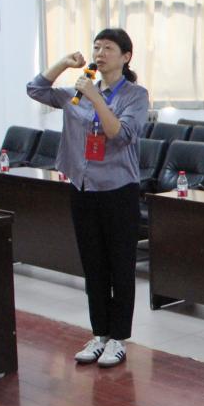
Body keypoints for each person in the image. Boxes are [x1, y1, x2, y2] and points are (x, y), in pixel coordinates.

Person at [26, 28, 149, 367]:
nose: (100, 53)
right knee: (93, 265)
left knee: (119, 265)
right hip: (82, 187)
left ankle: (118, 338)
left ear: (125, 56)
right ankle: (100, 334)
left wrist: (96, 98)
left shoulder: (135, 95)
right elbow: (36, 89)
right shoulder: (77, 92)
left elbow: (119, 134)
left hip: (118, 190)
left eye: (108, 48)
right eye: (96, 47)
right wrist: (63, 64)